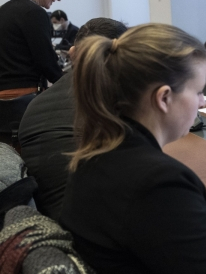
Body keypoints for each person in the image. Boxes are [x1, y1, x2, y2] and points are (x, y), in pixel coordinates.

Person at [59, 23, 206, 273]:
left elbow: (142, 216)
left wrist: (197, 199)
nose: (203, 102)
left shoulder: (96, 151)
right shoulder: (158, 181)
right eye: (199, 91)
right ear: (164, 98)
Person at [19, 18, 128, 221]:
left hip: (49, 214)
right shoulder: (108, 96)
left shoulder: (40, 101)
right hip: (90, 222)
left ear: (72, 53)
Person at [0, 0, 66, 99]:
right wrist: (68, 86)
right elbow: (45, 60)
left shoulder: (3, 10)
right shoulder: (35, 13)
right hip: (25, 95)